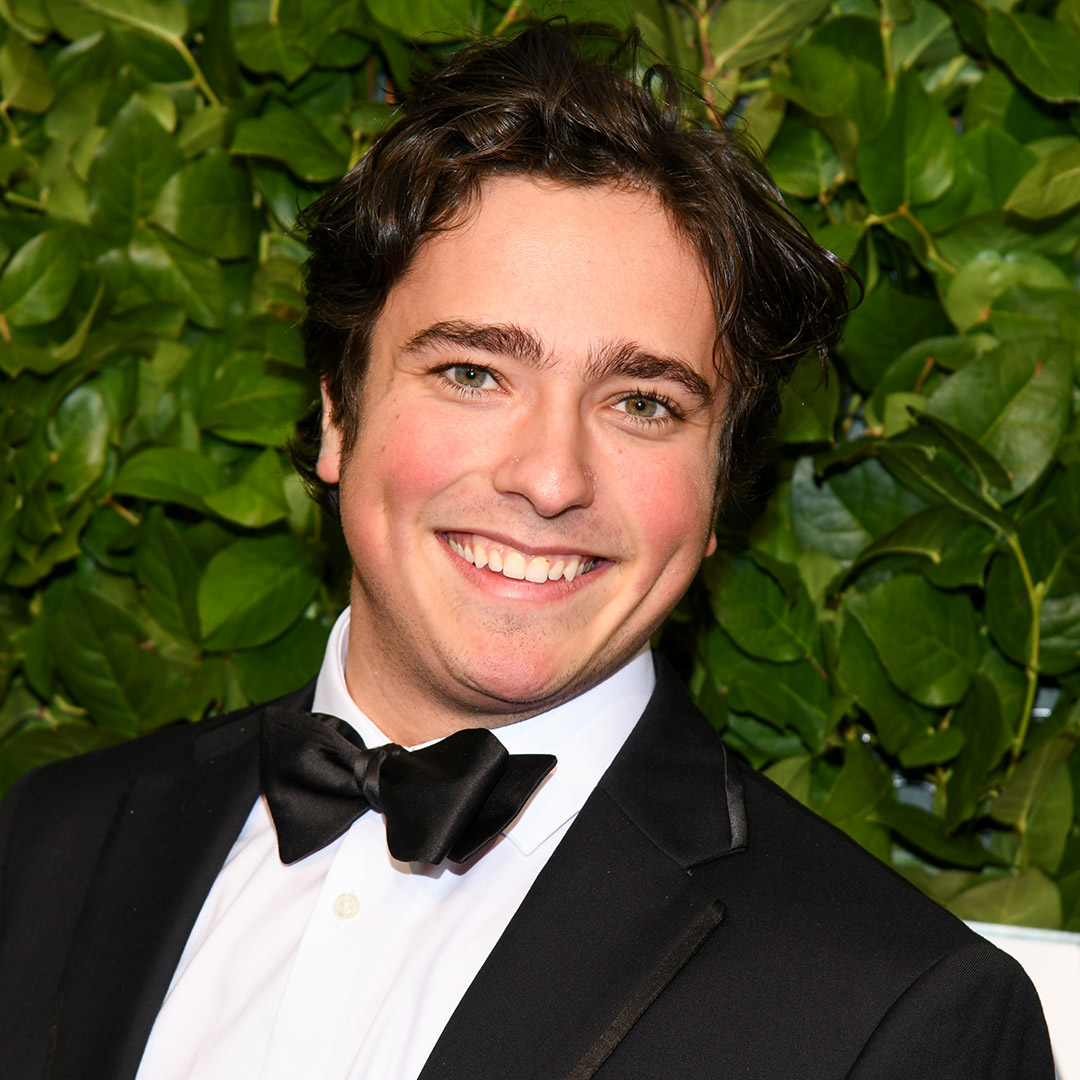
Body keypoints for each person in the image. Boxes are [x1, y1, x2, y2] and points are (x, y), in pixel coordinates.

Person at [0, 23, 1054, 1080]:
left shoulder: (902, 1017)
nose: (551, 479)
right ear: (336, 415)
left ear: (719, 491)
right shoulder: (52, 843)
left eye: (643, 403)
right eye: (473, 374)